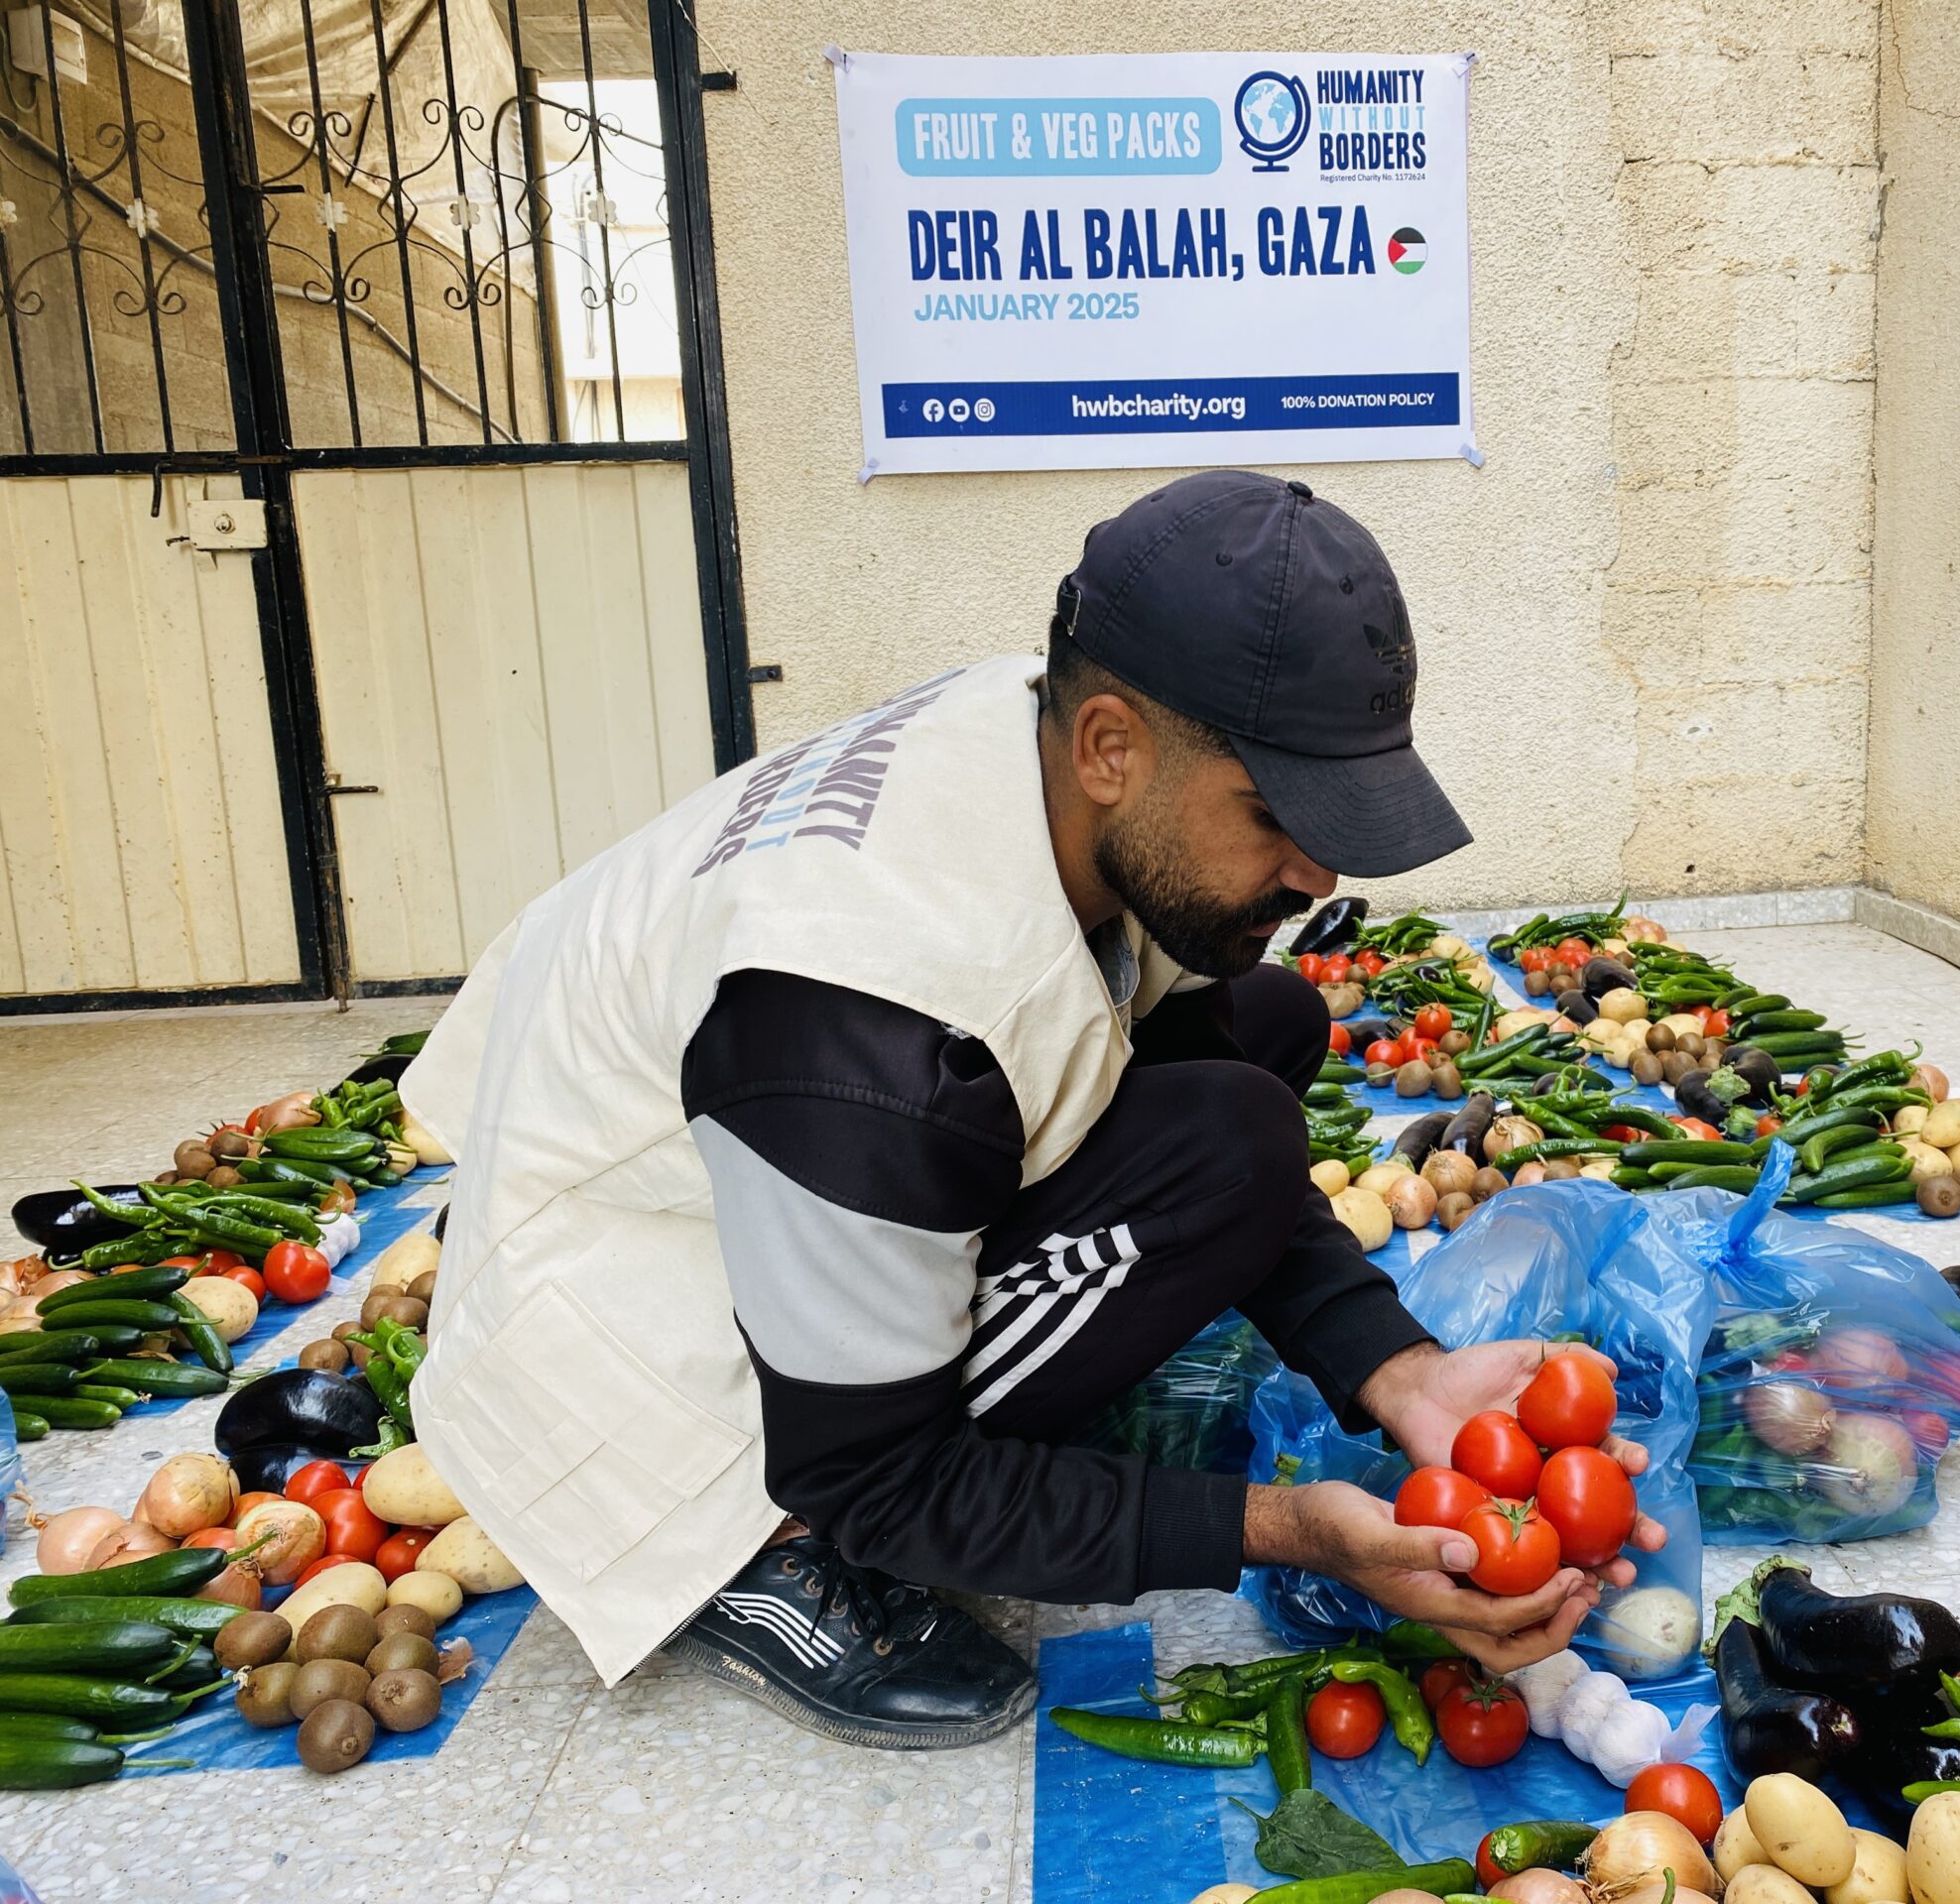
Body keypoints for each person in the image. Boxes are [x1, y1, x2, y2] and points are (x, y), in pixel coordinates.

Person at [401, 470, 1662, 1750]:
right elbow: (879, 1473)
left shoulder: (1058, 741)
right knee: (1219, 1158)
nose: (1317, 872)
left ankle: (926, 1360)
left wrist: (1401, 1371)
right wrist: (1281, 1531)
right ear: (1111, 745)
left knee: (1260, 1026)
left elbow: (1178, 1049)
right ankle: (761, 1555)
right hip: (623, 1358)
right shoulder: (871, 1026)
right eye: (1279, 814)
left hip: (744, 1158)